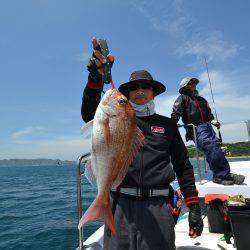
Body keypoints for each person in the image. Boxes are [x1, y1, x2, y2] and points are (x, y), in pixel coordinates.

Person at [81, 37, 203, 250]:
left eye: (145, 87)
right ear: (127, 94)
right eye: (134, 87)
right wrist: (94, 77)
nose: (139, 90)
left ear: (153, 92)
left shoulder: (168, 125)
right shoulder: (119, 117)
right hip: (120, 205)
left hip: (158, 206)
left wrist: (193, 206)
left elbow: (183, 166)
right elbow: (88, 112)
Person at [171, 77, 245, 185]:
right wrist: (172, 124)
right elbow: (176, 112)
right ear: (185, 86)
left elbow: (209, 114)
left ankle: (224, 173)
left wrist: (214, 121)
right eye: (190, 83)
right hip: (196, 129)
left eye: (194, 82)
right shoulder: (182, 98)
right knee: (211, 147)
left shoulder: (202, 100)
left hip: (208, 127)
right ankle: (221, 175)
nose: (193, 84)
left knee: (216, 147)